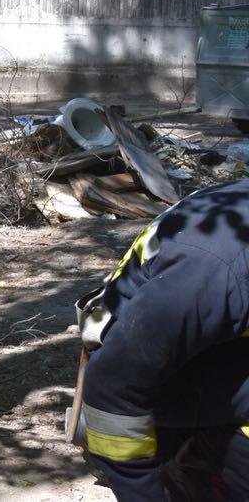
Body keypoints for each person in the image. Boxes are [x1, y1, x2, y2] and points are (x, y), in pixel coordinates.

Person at [69, 178, 249, 501]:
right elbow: (112, 388)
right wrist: (144, 492)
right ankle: (186, 468)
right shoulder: (215, 274)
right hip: (135, 385)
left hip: (197, 346)